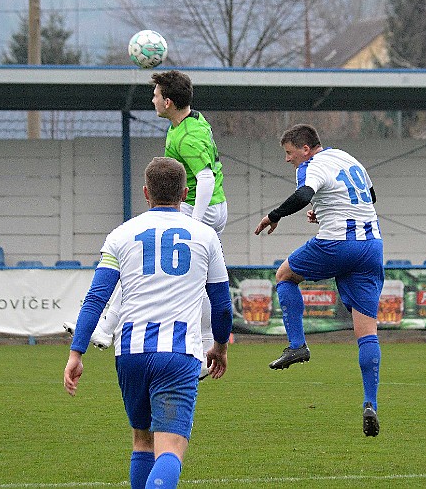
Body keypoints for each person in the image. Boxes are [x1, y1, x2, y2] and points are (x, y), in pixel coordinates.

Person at [64, 157, 233, 489]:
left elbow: (96, 297)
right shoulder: (205, 235)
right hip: (179, 354)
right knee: (170, 448)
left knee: (142, 442)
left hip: (131, 354)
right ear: (185, 193)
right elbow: (222, 305)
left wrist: (76, 353)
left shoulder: (121, 234)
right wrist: (221, 346)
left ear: (145, 192)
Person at [88, 70, 227, 379]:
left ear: (167, 101)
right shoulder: (189, 123)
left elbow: (204, 179)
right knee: (203, 283)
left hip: (196, 206)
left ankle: (106, 327)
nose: (151, 100)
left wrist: (194, 223)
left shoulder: (187, 136)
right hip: (211, 207)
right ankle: (203, 350)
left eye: (154, 95)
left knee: (140, 262)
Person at [254, 124, 383, 437]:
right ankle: (370, 403)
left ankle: (297, 345)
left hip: (338, 243)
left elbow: (303, 194)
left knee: (284, 276)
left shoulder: (311, 166)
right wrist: (323, 209)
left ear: (305, 149)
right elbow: (371, 196)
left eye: (289, 153)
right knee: (366, 330)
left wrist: (275, 215)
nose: (288, 160)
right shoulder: (347, 158)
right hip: (372, 247)